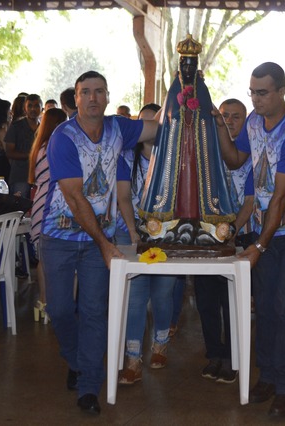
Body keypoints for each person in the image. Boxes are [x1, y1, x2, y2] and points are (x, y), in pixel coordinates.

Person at [41, 70, 158, 415]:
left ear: (108, 97)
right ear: (74, 99)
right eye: (85, 92)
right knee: (60, 309)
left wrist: (187, 113)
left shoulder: (119, 128)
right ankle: (77, 361)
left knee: (94, 312)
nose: (93, 98)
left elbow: (157, 128)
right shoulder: (63, 137)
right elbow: (75, 197)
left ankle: (88, 386)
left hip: (97, 243)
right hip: (59, 237)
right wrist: (107, 244)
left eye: (99, 92)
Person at [217, 62, 285, 418]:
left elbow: (278, 198)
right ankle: (269, 377)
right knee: (266, 307)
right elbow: (234, 160)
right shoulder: (253, 123)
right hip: (264, 229)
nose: (256, 99)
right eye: (252, 92)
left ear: (281, 91)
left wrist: (258, 246)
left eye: (263, 93)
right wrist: (218, 128)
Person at [137, 34, 236, 248]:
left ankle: (197, 219)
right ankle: (171, 220)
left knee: (198, 186)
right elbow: (167, 123)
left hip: (199, 152)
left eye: (192, 65)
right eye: (185, 64)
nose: (188, 69)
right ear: (180, 65)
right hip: (175, 154)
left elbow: (208, 121)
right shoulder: (173, 92)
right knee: (176, 185)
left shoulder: (203, 91)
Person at [114, 103, 178, 385]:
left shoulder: (175, 160)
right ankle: (132, 358)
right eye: (144, 123)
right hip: (130, 235)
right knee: (136, 296)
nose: (150, 129)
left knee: (163, 294)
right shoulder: (125, 158)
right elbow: (123, 197)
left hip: (168, 237)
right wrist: (132, 231)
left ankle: (161, 343)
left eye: (156, 123)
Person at [195, 98, 253, 384]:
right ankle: (214, 355)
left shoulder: (252, 154)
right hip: (206, 238)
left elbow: (251, 202)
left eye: (236, 117)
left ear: (246, 122)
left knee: (233, 301)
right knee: (206, 300)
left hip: (240, 237)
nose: (229, 121)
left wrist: (230, 231)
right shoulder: (206, 152)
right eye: (225, 115)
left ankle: (233, 359)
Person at [28, 107, 67, 324]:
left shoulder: (39, 147)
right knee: (59, 257)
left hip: (39, 201)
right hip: (55, 201)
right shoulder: (57, 146)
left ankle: (43, 303)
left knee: (43, 258)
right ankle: (59, 304)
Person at [5, 93, 42, 197]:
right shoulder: (16, 127)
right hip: (20, 175)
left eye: (36, 106)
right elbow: (9, 152)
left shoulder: (44, 128)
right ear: (25, 109)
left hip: (39, 175)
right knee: (19, 208)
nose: (33, 109)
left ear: (42, 108)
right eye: (29, 106)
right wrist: (31, 155)